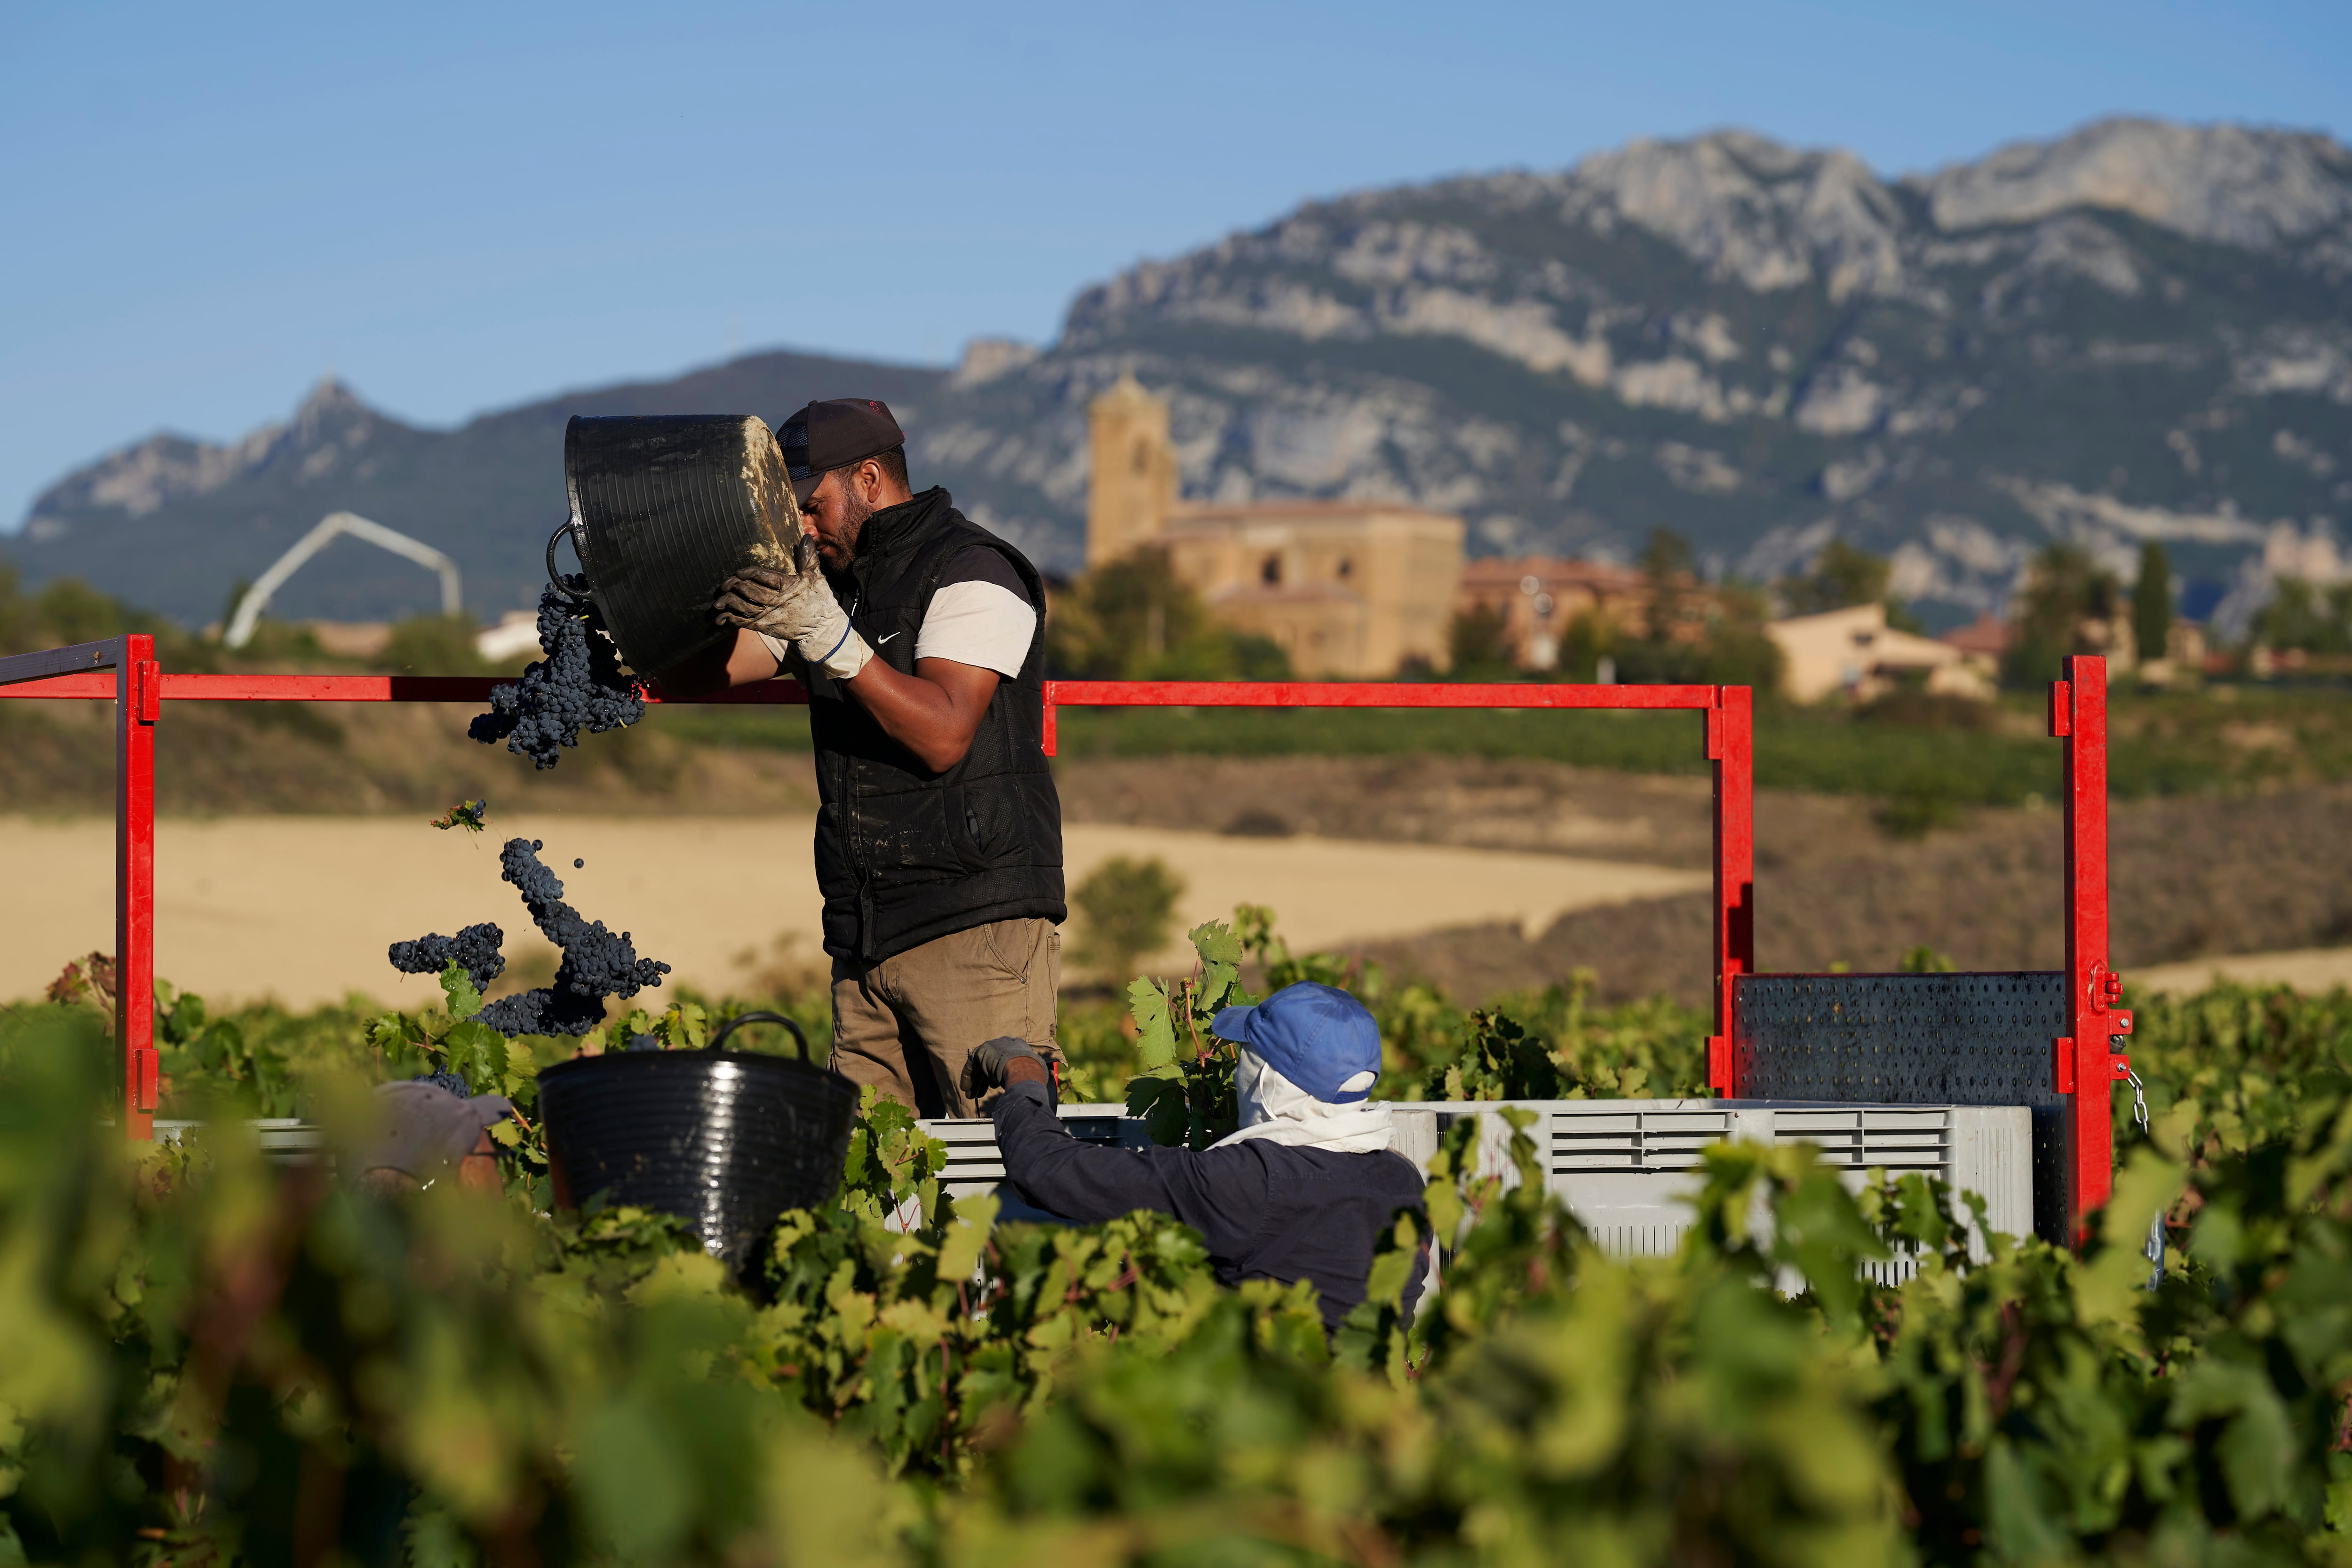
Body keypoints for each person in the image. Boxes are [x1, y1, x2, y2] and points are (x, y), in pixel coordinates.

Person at [704, 398, 1065, 1117]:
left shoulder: (975, 570)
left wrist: (830, 636)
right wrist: (642, 611)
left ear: (870, 477)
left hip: (974, 927)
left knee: (996, 1168)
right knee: (876, 1182)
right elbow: (731, 663)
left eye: (813, 506)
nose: (802, 527)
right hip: (864, 935)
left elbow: (943, 734)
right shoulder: (824, 578)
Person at [968, 982, 1429, 1336]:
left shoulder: (1249, 1183)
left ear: (1268, 1080)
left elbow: (1046, 1168)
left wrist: (1024, 1077)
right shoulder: (1402, 1181)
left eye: (1247, 1055)